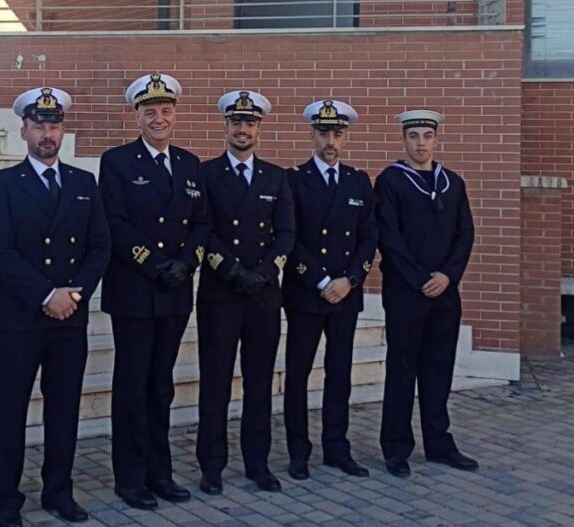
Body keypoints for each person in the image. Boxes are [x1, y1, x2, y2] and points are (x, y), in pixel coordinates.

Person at [0, 87, 111, 527]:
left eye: (54, 125)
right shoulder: (1, 184)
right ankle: (5, 498)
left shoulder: (82, 183)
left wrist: (74, 295)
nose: (47, 133)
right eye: (39, 125)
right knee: (9, 411)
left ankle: (59, 491)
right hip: (20, 318)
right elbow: (0, 251)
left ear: (62, 130)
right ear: (24, 130)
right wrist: (46, 294)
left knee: (64, 408)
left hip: (68, 318)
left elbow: (100, 246)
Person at [100, 72, 209, 510]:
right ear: (138, 118)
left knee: (160, 385)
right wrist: (152, 261)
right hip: (134, 290)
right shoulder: (118, 161)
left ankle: (159, 472)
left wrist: (186, 262)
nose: (159, 119)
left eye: (166, 111)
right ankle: (129, 477)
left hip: (175, 291)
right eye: (150, 113)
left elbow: (201, 222)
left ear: (174, 115)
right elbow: (114, 221)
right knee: (132, 384)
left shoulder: (188, 164)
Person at [195, 90, 294, 495]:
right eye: (236, 122)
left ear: (259, 129)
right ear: (226, 127)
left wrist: (267, 270)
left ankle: (258, 463)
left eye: (250, 123)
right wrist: (231, 269)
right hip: (221, 293)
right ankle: (212, 465)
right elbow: (202, 228)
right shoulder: (205, 173)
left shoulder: (276, 176)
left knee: (258, 382)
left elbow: (287, 233)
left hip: (263, 296)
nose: (242, 129)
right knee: (215, 382)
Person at [375, 109, 478, 478]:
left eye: (427, 135)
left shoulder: (453, 182)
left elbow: (465, 234)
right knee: (402, 370)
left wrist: (448, 276)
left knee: (438, 370)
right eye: (414, 135)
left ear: (436, 139)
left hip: (445, 293)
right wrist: (421, 279)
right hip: (406, 292)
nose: (421, 142)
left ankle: (439, 443)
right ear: (404, 139)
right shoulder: (390, 181)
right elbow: (389, 237)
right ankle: (396, 447)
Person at [282, 99, 378, 480]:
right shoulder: (294, 179)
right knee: (298, 373)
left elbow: (369, 237)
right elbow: (290, 237)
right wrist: (321, 281)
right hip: (308, 292)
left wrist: (350, 280)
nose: (330, 141)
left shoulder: (358, 181)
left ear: (345, 137)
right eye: (324, 133)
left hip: (345, 294)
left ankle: (337, 448)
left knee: (340, 374)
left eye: (337, 134)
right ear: (312, 134)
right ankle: (298, 452)